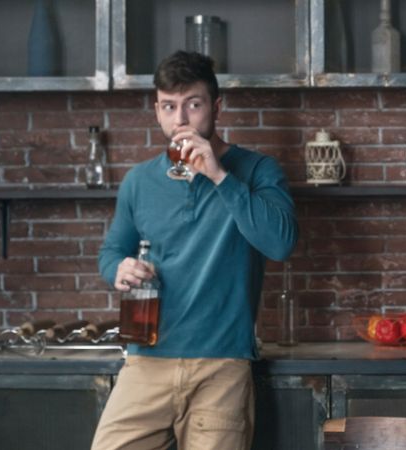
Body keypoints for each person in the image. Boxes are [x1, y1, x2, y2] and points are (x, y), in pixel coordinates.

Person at [91, 51, 298, 450]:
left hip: (221, 365)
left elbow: (281, 243)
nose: (181, 119)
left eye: (194, 104)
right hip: (146, 361)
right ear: (157, 110)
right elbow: (112, 251)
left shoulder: (257, 171)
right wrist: (119, 268)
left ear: (216, 107)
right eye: (169, 106)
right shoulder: (139, 181)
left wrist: (220, 176)